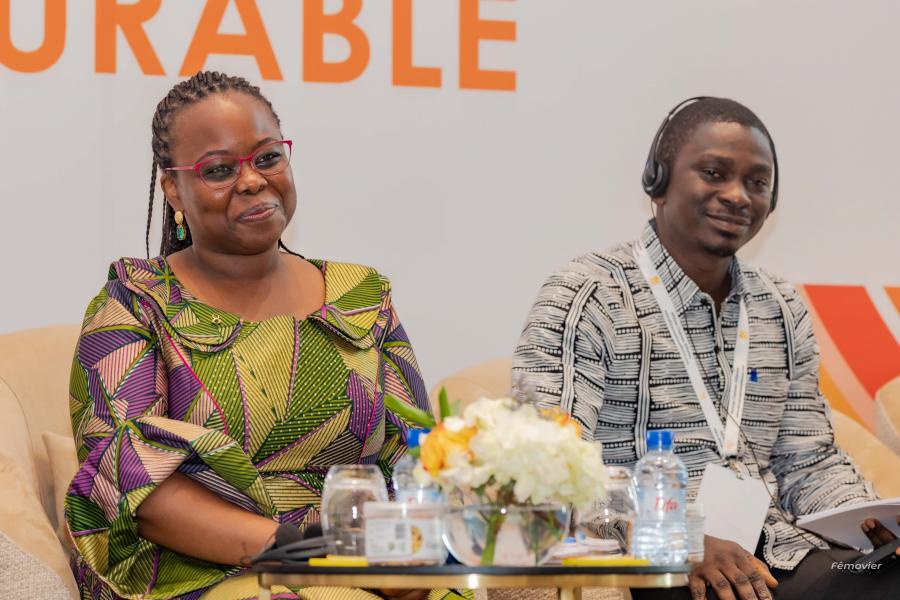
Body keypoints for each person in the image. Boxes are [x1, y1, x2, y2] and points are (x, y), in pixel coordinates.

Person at [66, 71, 464, 600]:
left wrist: (407, 554)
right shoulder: (135, 305)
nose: (253, 180)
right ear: (173, 189)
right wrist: (320, 555)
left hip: (370, 560)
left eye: (268, 157)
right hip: (207, 569)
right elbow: (131, 487)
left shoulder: (360, 296)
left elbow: (417, 458)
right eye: (219, 169)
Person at [512, 97, 899, 599]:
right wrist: (679, 539)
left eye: (757, 183)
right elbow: (549, 469)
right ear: (657, 181)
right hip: (657, 561)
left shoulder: (781, 306)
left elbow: (807, 461)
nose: (737, 196)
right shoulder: (588, 295)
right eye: (714, 173)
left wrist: (871, 522)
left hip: (780, 556)